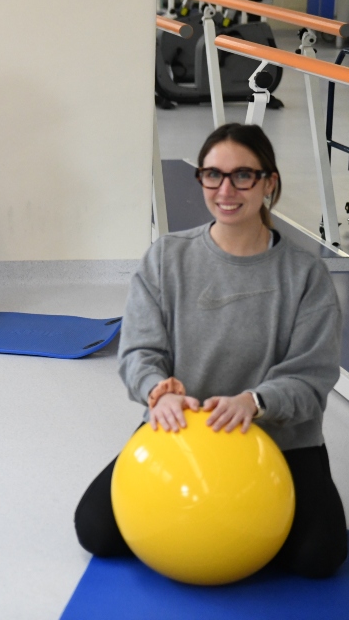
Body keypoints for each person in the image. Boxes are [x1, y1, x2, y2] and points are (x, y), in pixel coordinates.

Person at [74, 123, 347, 578]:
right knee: (96, 531)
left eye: (243, 175)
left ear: (269, 183)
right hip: (181, 429)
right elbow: (139, 351)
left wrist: (255, 402)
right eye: (212, 175)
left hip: (280, 441)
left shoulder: (305, 275)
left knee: (320, 556)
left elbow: (312, 377)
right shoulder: (166, 257)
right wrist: (159, 392)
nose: (226, 189)